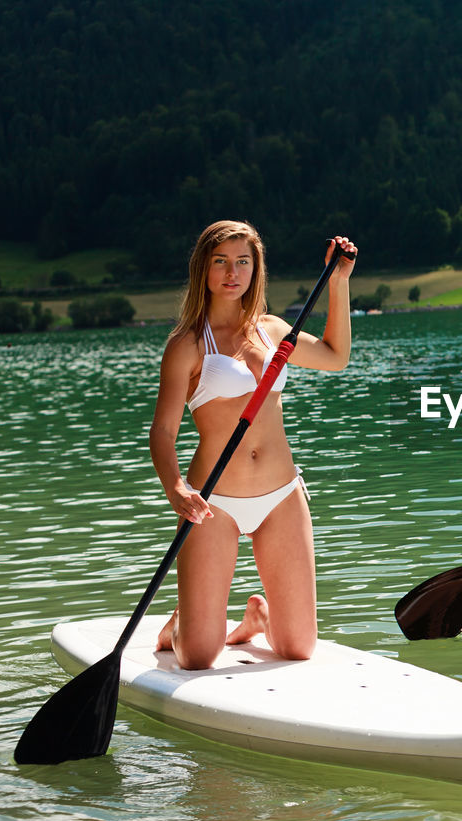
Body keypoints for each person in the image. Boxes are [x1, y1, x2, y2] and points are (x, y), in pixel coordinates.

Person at [148, 221, 356, 669]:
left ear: (255, 269)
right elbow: (163, 432)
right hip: (212, 501)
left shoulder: (272, 330)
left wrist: (338, 282)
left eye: (242, 261)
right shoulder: (187, 344)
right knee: (199, 657)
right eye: (220, 261)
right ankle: (179, 623)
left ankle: (257, 617)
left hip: (281, 494)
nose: (231, 272)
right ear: (202, 268)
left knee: (298, 648)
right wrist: (176, 487)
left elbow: (336, 357)